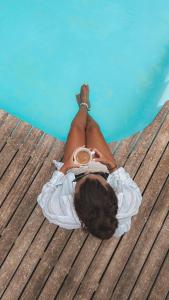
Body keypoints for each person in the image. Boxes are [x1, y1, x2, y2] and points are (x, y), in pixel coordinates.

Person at [37, 84, 142, 239]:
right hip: (104, 167)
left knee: (76, 129)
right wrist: (111, 165)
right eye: (95, 179)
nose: (87, 172)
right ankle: (85, 109)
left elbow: (43, 196)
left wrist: (65, 168)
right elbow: (130, 186)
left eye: (84, 180)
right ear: (111, 192)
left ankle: (83, 105)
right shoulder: (129, 202)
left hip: (73, 170)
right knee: (93, 129)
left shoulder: (59, 211)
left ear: (75, 200)